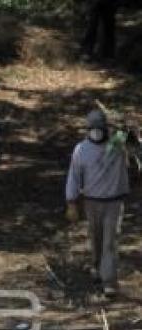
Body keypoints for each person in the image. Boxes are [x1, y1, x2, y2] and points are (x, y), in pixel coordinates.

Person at [65, 109, 130, 298]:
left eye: (100, 129)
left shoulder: (117, 145)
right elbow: (74, 177)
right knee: (96, 239)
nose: (96, 133)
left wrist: (126, 128)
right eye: (93, 129)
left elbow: (131, 140)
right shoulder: (81, 150)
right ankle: (97, 267)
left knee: (109, 242)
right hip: (92, 202)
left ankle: (109, 281)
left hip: (113, 202)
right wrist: (71, 201)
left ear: (106, 129)